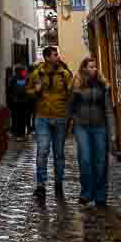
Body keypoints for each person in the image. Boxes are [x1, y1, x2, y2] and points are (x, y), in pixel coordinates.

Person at [68, 55, 114, 208]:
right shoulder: (77, 85)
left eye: (95, 67)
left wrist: (112, 131)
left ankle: (100, 195)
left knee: (101, 161)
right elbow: (70, 107)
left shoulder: (102, 85)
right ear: (84, 68)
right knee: (86, 160)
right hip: (82, 126)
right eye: (91, 67)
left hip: (99, 126)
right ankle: (87, 193)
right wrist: (68, 124)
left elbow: (108, 109)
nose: (94, 69)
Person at [27, 45, 73, 199]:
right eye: (54, 55)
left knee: (59, 153)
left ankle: (58, 183)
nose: (57, 57)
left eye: (57, 55)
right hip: (42, 117)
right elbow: (28, 93)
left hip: (60, 118)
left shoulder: (65, 74)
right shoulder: (36, 74)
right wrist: (36, 90)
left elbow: (71, 95)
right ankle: (41, 185)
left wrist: (69, 116)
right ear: (47, 57)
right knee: (43, 150)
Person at [7, 64, 30, 140]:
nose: (23, 72)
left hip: (24, 102)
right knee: (16, 118)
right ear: (17, 71)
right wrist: (11, 99)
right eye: (21, 71)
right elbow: (9, 90)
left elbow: (29, 88)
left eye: (23, 70)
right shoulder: (13, 79)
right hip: (16, 102)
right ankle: (17, 133)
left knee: (23, 118)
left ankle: (22, 134)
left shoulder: (27, 79)